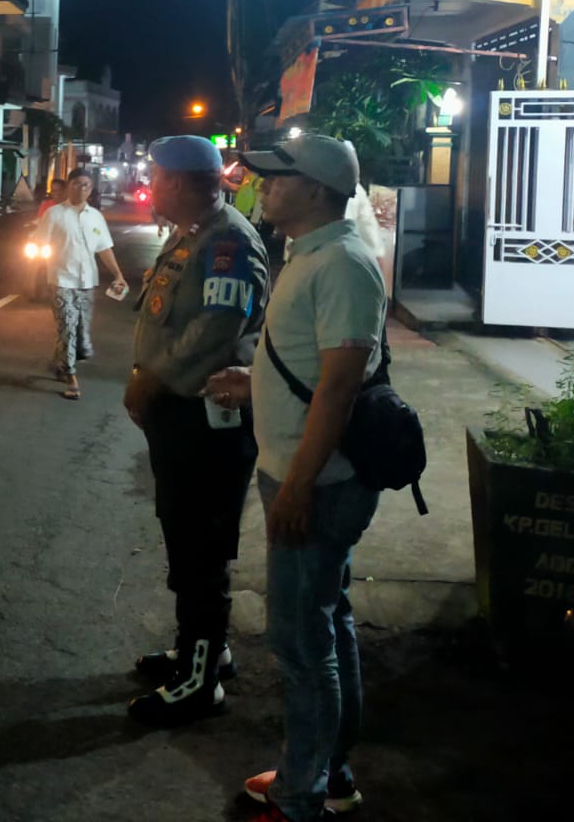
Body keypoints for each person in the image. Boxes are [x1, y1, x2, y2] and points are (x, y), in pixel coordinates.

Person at [204, 133, 388, 821]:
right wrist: (256, 384)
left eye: (278, 180)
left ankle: (301, 795)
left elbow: (340, 390)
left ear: (314, 191)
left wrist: (298, 487)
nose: (263, 187)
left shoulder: (340, 264)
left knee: (301, 643)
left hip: (318, 484)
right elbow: (318, 372)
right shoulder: (307, 255)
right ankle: (328, 773)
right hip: (302, 475)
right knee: (326, 624)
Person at [123, 134, 268, 727]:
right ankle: (200, 649)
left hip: (205, 418)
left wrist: (153, 378)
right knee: (183, 533)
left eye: (157, 178)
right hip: (180, 415)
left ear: (181, 183)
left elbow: (214, 328)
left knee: (201, 542)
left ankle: (200, 679)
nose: (151, 186)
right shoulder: (194, 233)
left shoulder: (226, 240)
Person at [35, 167, 127, 401]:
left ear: (91, 189)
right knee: (67, 324)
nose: (81, 188)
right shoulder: (54, 214)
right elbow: (39, 244)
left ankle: (60, 361)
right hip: (61, 279)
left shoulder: (96, 217)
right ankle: (71, 376)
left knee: (81, 332)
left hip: (87, 281)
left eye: (86, 185)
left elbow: (104, 248)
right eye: (76, 184)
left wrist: (118, 274)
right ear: (68, 186)